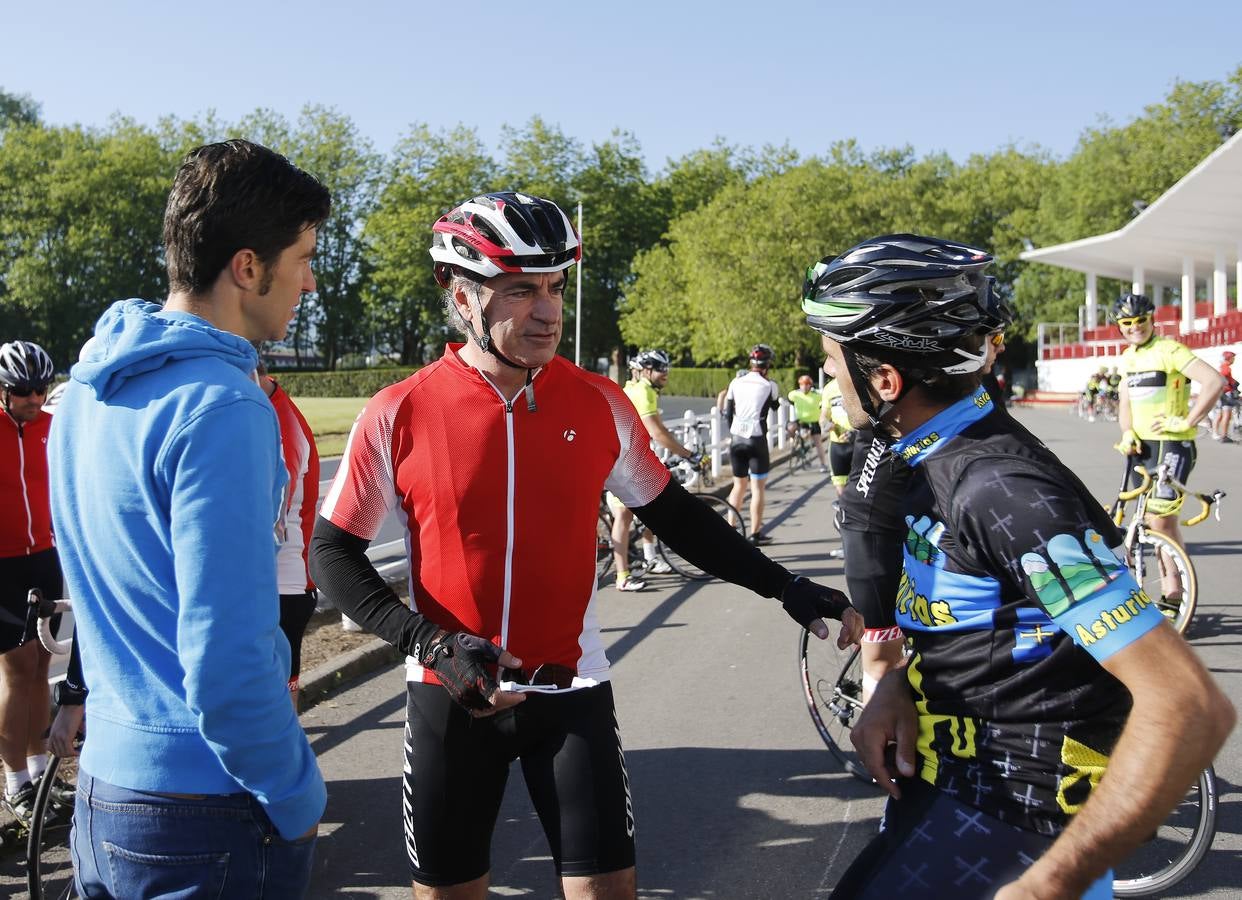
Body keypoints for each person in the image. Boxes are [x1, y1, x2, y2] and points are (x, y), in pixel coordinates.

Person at [309, 190, 861, 900]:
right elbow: (333, 553)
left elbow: (678, 518)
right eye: (518, 291)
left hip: (570, 692)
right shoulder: (400, 411)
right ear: (460, 295)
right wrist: (428, 642)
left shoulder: (599, 401)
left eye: (554, 287)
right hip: (450, 693)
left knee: (607, 892)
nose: (547, 311)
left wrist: (785, 586)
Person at [801, 234, 1235, 899]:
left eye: (832, 361)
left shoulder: (1000, 489)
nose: (827, 376)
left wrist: (1052, 883)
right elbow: (995, 622)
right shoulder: (928, 455)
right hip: (952, 791)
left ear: (885, 379)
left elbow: (1188, 705)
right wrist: (892, 680)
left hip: (1015, 824)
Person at [47, 139, 329, 898]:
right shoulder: (225, 404)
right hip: (206, 811)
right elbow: (228, 656)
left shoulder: (81, 396)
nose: (308, 279)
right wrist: (298, 798)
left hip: (106, 792)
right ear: (246, 267)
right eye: (301, 256)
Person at [1111, 293, 1226, 611]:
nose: (1135, 328)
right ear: (1120, 327)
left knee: (1158, 521)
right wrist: (1127, 432)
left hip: (1173, 445)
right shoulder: (1128, 358)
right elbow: (1125, 403)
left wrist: (1187, 420)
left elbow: (1214, 381)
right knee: (1159, 521)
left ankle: (1173, 594)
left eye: (1141, 321)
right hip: (1142, 448)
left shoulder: (1169, 350)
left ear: (1152, 320)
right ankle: (1174, 593)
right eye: (1127, 324)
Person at [0, 340, 73, 826]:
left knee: (43, 662)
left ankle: (42, 772)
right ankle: (15, 784)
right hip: (2, 564)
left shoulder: (53, 427)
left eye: (41, 388)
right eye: (23, 390)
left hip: (44, 558)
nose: (34, 398)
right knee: (18, 672)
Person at [258, 358, 321, 708]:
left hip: (282, 585)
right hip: (283, 583)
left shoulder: (279, 424)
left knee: (276, 706)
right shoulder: (268, 410)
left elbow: (271, 525)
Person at [608, 349, 699, 590]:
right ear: (646, 371)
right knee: (624, 518)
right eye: (661, 369)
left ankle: (650, 558)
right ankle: (622, 576)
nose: (665, 374)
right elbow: (657, 432)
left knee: (651, 507)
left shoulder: (635, 389)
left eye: (666, 369)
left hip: (633, 460)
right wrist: (688, 454)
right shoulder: (644, 392)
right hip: (622, 464)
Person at [724, 344, 780, 544]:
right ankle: (755, 534)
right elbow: (774, 406)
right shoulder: (770, 385)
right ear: (767, 365)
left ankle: (730, 530)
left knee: (738, 486)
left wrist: (734, 432)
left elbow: (728, 413)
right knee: (757, 488)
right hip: (756, 440)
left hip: (737, 440)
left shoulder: (735, 382)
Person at [818, 377, 854, 495]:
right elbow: (823, 416)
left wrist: (856, 433)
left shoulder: (858, 379)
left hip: (859, 442)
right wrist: (826, 424)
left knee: (861, 488)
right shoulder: (829, 388)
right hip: (837, 444)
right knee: (840, 490)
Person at [788, 374, 830, 473]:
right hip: (802, 421)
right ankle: (796, 445)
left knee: (818, 443)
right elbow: (789, 398)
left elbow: (825, 400)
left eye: (806, 384)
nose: (804, 386)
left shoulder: (816, 395)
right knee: (790, 427)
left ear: (810, 385)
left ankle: (823, 464)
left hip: (814, 422)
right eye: (802, 384)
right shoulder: (795, 394)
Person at [1214, 350, 1238, 442]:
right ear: (1229, 358)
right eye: (1233, 358)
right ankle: (1224, 435)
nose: (1234, 360)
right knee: (1227, 415)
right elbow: (1222, 376)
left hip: (1223, 392)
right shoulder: (1226, 368)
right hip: (1226, 393)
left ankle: (1219, 433)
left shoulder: (1223, 366)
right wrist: (1228, 383)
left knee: (1222, 414)